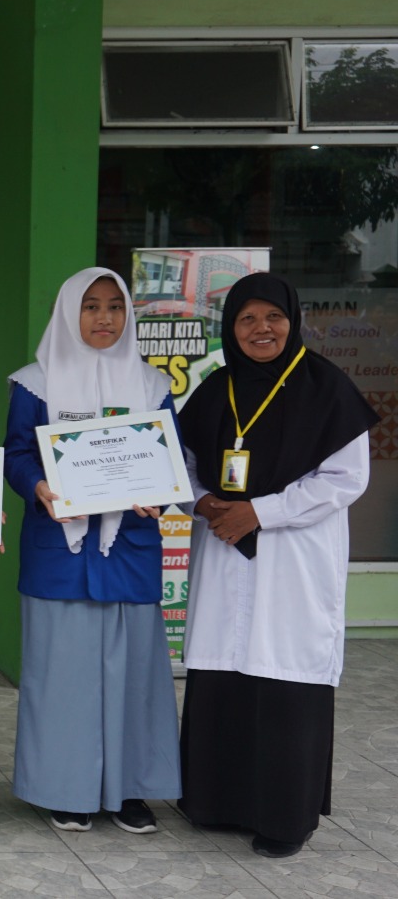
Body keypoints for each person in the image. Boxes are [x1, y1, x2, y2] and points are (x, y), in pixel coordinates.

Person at [176, 273, 377, 858]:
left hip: (293, 559)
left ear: (293, 321)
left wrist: (260, 513)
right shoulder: (216, 389)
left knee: (284, 674)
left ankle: (285, 819)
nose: (260, 329)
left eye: (273, 318)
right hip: (223, 551)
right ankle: (215, 803)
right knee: (224, 672)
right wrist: (203, 502)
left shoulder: (327, 388)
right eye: (247, 319)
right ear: (230, 327)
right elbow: (182, 463)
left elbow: (346, 479)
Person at [4, 267, 181, 833]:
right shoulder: (35, 383)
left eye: (114, 306)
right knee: (63, 677)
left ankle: (129, 790)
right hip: (60, 551)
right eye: (90, 306)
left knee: (134, 675)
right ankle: (66, 789)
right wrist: (39, 487)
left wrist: (159, 492)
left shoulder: (152, 385)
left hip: (128, 549)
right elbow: (15, 454)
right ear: (67, 313)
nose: (104, 318)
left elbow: (170, 459)